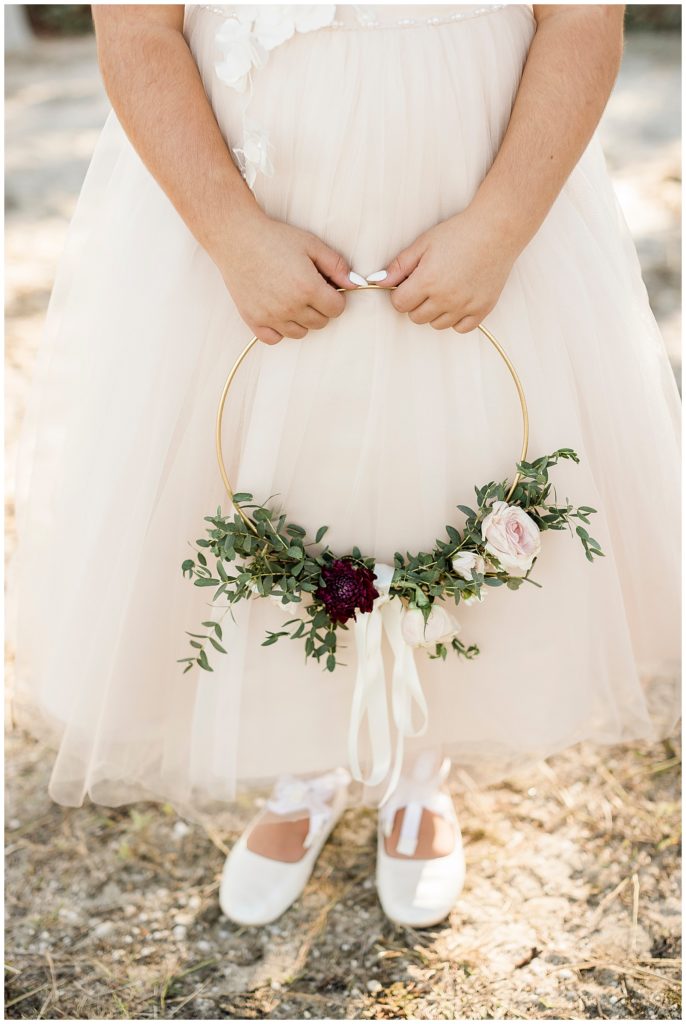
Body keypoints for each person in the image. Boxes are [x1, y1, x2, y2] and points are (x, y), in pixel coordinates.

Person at [9, 3, 680, 929]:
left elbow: (578, 17)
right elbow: (135, 28)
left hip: (472, 173)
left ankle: (416, 762)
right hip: (259, 193)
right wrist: (234, 237)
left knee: (447, 453)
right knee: (281, 463)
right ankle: (307, 758)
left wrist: (501, 223)